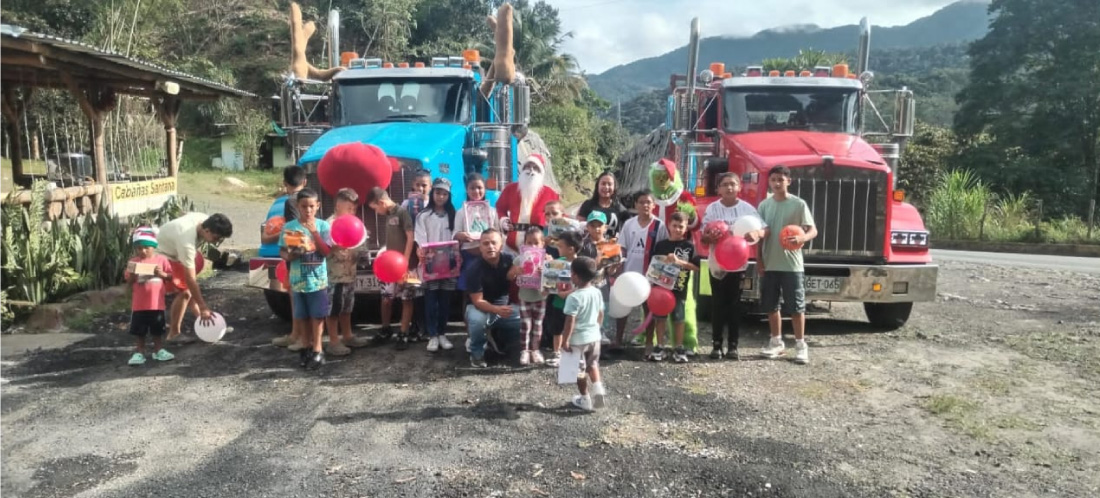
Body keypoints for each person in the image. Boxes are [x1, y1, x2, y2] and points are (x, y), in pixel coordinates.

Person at [756, 165, 817, 365]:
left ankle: (800, 346)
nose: (777, 183)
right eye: (773, 180)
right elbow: (760, 235)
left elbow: (812, 230)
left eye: (781, 179)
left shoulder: (798, 204)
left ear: (788, 181)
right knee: (771, 305)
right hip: (770, 263)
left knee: (797, 307)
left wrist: (803, 239)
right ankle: (776, 342)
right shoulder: (764, 205)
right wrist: (759, 260)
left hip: (792, 266)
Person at [699, 172, 761, 360]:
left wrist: (756, 234)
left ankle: (733, 346)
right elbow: (703, 238)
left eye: (733, 184)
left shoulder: (747, 209)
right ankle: (716, 345)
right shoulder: (712, 209)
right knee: (717, 305)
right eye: (725, 184)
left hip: (738, 265)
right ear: (718, 189)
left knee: (735, 305)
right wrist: (710, 237)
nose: (729, 188)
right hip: (717, 264)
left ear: (739, 187)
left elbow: (762, 228)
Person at [156, 212, 233, 342]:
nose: (217, 241)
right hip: (162, 257)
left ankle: (203, 320)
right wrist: (203, 306)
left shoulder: (203, 219)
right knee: (185, 292)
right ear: (207, 230)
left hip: (175, 250)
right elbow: (190, 279)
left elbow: (184, 213)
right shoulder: (187, 243)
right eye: (216, 238)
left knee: (198, 263)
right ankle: (174, 334)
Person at [279, 189, 333, 369]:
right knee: (301, 315)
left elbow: (326, 252)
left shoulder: (323, 226)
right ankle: (305, 346)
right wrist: (291, 255)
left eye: (311, 206)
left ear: (318, 206)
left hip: (318, 280)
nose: (308, 210)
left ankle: (318, 350)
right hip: (298, 280)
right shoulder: (290, 227)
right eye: (304, 206)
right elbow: (283, 251)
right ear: (297, 206)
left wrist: (315, 233)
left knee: (317, 316)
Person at [367, 186, 420, 350]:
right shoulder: (389, 214)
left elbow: (410, 237)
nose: (376, 212)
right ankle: (385, 329)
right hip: (389, 266)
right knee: (386, 298)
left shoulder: (402, 212)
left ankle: (403, 333)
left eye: (375, 208)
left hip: (405, 266)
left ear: (381, 202)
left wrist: (404, 263)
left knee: (406, 299)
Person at [613, 190, 667, 348]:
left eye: (648, 202)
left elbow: (662, 251)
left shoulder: (659, 225)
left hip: (649, 276)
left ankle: (649, 342)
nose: (645, 205)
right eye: (641, 202)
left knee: (649, 310)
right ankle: (618, 340)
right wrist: (618, 269)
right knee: (623, 307)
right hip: (629, 273)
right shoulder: (629, 224)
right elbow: (622, 248)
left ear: (653, 205)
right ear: (635, 205)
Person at [463, 229, 521, 368]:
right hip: (479, 308)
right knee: (478, 321)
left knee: (525, 317)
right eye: (486, 243)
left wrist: (546, 261)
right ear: (480, 247)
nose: (490, 247)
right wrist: (496, 309)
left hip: (503, 307)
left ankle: (501, 342)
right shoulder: (473, 269)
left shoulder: (510, 259)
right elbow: (477, 301)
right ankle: (477, 354)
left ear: (501, 245)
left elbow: (531, 262)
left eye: (494, 243)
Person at [324, 188, 371, 357]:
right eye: (348, 208)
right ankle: (333, 341)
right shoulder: (329, 224)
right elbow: (324, 247)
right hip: (334, 275)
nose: (351, 212)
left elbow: (361, 241)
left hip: (349, 274)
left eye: (354, 209)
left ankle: (348, 335)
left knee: (347, 306)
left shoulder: (355, 223)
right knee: (334, 307)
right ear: (337, 206)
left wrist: (364, 255)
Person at [650, 212, 702, 363]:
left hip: (680, 288)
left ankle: (678, 347)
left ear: (686, 228)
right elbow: (653, 265)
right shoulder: (661, 245)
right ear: (669, 226)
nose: (677, 229)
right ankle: (659, 345)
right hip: (661, 288)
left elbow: (696, 267)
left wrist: (679, 262)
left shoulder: (689, 246)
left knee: (679, 318)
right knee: (660, 318)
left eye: (681, 226)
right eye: (675, 226)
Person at [414, 177, 458, 353]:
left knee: (445, 300)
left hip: (449, 264)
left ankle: (442, 333)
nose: (441, 197)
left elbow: (456, 236)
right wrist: (423, 252)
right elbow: (420, 238)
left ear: (449, 196)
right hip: (431, 264)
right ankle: (432, 335)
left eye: (445, 194)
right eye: (438, 192)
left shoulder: (453, 214)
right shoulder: (424, 215)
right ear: (433, 193)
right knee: (431, 300)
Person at [266, 166, 307, 350]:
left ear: (285, 184)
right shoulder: (312, 199)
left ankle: (298, 336)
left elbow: (294, 230)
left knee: (296, 297)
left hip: (298, 256)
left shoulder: (291, 202)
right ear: (304, 181)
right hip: (311, 253)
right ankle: (297, 335)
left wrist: (291, 255)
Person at [560, 256, 606, 411]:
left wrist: (565, 340)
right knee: (593, 364)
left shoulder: (574, 297)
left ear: (575, 276)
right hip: (594, 337)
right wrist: (597, 328)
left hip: (578, 340)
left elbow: (569, 322)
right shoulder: (597, 292)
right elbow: (601, 314)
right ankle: (598, 390)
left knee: (579, 372)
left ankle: (585, 398)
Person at [125, 227, 174, 366]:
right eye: (139, 248)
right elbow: (128, 282)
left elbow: (171, 276)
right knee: (139, 330)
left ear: (153, 247)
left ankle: (158, 350)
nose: (143, 251)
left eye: (146, 247)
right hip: (139, 304)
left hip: (156, 303)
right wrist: (133, 274)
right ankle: (140, 352)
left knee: (157, 328)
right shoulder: (134, 262)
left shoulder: (161, 260)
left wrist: (162, 274)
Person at [496, 154, 560, 253]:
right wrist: (503, 220)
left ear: (541, 172)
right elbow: (499, 208)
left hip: (537, 247)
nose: (531, 170)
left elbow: (559, 215)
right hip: (511, 247)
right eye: (528, 166)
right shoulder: (510, 189)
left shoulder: (550, 194)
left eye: (535, 167)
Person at [510, 227, 548, 365]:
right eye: (529, 242)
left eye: (536, 243)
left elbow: (553, 278)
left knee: (538, 325)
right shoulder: (519, 259)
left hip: (541, 298)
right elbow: (508, 276)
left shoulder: (547, 260)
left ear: (543, 243)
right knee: (525, 325)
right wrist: (516, 271)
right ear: (524, 244)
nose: (532, 246)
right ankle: (524, 350)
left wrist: (545, 271)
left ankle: (535, 350)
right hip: (524, 297)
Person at [543, 230, 583, 366]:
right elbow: (548, 281)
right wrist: (545, 270)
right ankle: (557, 353)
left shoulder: (581, 265)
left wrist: (569, 292)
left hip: (575, 305)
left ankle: (574, 354)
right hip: (558, 303)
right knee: (557, 329)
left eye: (560, 246)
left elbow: (584, 285)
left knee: (574, 329)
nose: (557, 249)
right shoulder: (557, 262)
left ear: (571, 249)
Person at [454, 173, 498, 292]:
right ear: (467, 190)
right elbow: (455, 234)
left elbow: (498, 234)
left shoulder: (492, 211)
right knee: (469, 290)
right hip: (468, 256)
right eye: (472, 188)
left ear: (485, 189)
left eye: (479, 187)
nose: (476, 191)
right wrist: (462, 235)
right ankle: (467, 310)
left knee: (488, 288)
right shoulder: (461, 212)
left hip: (489, 257)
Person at [403, 169, 432, 341]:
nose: (421, 188)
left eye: (424, 185)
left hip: (430, 251)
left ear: (430, 186)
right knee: (415, 288)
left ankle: (428, 325)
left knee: (429, 289)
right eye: (418, 185)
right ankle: (417, 325)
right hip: (413, 251)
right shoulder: (407, 204)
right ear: (413, 185)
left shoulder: (433, 203)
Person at [576, 171, 627, 239]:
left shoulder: (620, 209)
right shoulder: (588, 205)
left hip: (610, 248)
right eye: (603, 183)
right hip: (590, 247)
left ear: (614, 187)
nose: (606, 187)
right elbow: (578, 228)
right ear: (597, 186)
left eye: (609, 184)